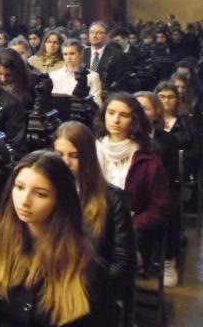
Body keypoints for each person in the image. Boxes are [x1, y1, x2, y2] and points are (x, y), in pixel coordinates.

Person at [0, 150, 117, 327]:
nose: (25, 201)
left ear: (60, 200)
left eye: (40, 194)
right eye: (20, 187)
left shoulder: (87, 269)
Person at [53, 122, 136, 297]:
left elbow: (123, 263)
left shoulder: (112, 198)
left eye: (74, 156)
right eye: (59, 155)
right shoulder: (47, 192)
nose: (65, 162)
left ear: (88, 158)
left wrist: (88, 291)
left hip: (93, 290)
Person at [95, 93, 170, 271]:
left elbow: (159, 208)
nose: (116, 120)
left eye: (124, 115)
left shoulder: (148, 161)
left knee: (109, 260)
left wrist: (130, 225)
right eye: (111, 113)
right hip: (93, 227)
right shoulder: (90, 150)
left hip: (133, 234)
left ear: (134, 120)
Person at [136, 89, 182, 287]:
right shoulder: (127, 137)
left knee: (169, 208)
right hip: (133, 191)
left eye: (145, 108)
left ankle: (168, 259)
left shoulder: (167, 140)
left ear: (156, 112)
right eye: (136, 108)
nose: (140, 112)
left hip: (158, 190)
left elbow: (170, 177)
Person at [49, 39, 103, 106]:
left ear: (80, 54)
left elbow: (97, 104)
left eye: (72, 54)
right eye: (65, 54)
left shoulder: (92, 76)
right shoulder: (54, 75)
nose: (68, 57)